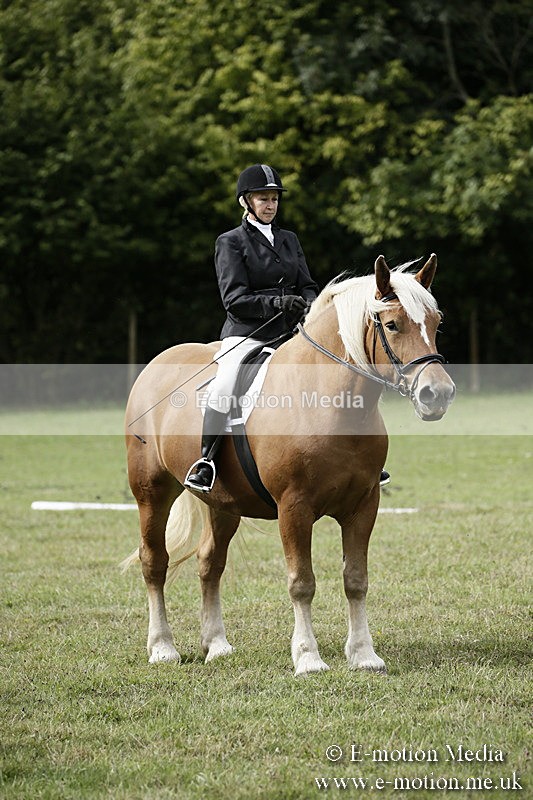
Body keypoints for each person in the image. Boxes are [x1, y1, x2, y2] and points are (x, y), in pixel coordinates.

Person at [184, 163, 319, 492]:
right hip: (246, 334)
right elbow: (234, 299)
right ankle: (207, 460)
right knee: (225, 382)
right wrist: (275, 303)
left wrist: (311, 305)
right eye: (263, 198)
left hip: (291, 334)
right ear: (246, 201)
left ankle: (355, 455)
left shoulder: (289, 239)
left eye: (274, 199)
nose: (270, 205)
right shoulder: (230, 242)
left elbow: (307, 283)